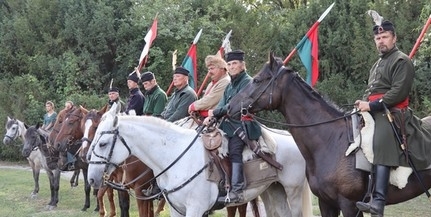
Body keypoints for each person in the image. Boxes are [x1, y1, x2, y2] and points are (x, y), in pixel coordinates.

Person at [355, 20, 431, 216]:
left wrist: (371, 105)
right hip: (374, 110)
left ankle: (378, 201)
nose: (381, 41)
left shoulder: (402, 61)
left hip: (394, 114)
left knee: (382, 136)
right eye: (378, 38)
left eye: (385, 37)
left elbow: (397, 93)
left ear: (394, 38)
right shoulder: (377, 64)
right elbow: (370, 90)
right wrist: (362, 105)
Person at [203, 50, 259, 204]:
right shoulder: (230, 84)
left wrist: (215, 112)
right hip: (229, 124)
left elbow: (233, 105)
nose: (232, 66)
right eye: (229, 64)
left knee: (234, 150)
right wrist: (212, 117)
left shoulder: (248, 82)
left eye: (234, 63)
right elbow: (222, 104)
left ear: (242, 65)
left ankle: (237, 189)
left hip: (244, 124)